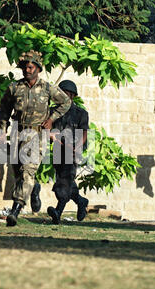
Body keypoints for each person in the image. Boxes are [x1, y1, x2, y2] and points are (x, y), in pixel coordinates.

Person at [0, 50, 71, 227]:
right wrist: (2, 132)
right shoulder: (14, 88)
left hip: (37, 135)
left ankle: (15, 210)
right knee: (19, 172)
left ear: (38, 68)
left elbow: (66, 102)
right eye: (24, 67)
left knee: (28, 170)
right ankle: (34, 189)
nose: (27, 70)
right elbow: (4, 110)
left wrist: (51, 119)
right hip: (18, 133)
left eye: (30, 67)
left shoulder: (47, 88)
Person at [46, 80, 90, 224]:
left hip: (73, 151)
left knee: (64, 182)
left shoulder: (81, 113)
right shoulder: (53, 112)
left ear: (72, 95)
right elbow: (47, 128)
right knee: (64, 179)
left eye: (65, 93)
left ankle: (58, 212)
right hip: (58, 149)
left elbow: (84, 132)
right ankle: (81, 201)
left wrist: (77, 147)